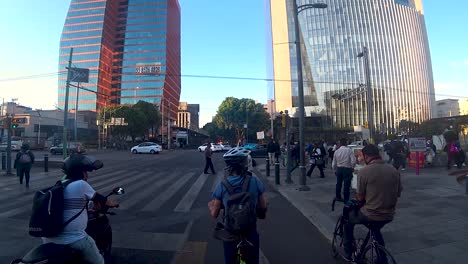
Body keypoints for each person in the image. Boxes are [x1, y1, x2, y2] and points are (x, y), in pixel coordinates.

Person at [42, 153, 117, 264]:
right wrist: (113, 204)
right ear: (80, 172)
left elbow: (70, 206)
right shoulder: (81, 184)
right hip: (74, 239)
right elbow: (102, 199)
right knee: (99, 261)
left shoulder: (59, 185)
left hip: (48, 239)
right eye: (85, 172)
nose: (87, 176)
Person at [343, 144, 402, 261]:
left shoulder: (364, 171)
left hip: (370, 214)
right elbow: (398, 192)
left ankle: (347, 252)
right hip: (389, 214)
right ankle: (382, 258)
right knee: (375, 230)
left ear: (366, 157)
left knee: (347, 221)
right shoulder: (393, 170)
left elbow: (360, 197)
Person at [209, 147, 268, 264]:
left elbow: (214, 214)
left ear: (229, 167)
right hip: (250, 232)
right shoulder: (254, 181)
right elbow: (263, 206)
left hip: (231, 234)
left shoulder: (222, 185)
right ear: (245, 164)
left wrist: (211, 206)